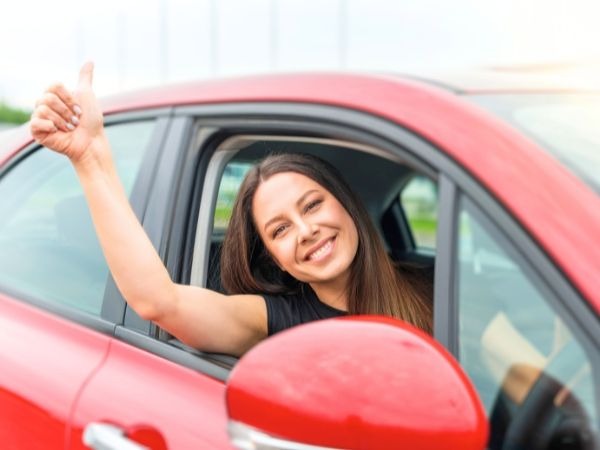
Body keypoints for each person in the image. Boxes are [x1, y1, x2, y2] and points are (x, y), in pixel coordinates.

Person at [30, 63, 433, 357]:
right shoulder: (278, 321)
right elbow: (160, 302)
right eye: (279, 231)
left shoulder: (439, 287)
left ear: (347, 205)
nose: (306, 230)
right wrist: (91, 160)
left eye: (312, 205)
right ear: (277, 260)